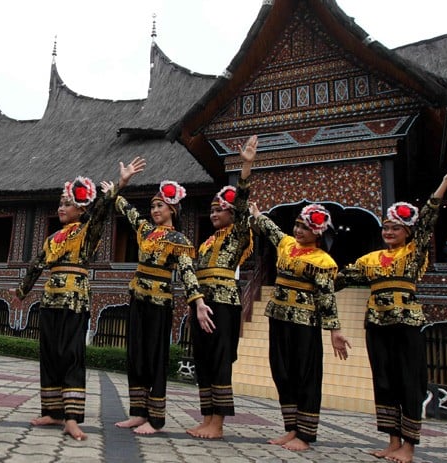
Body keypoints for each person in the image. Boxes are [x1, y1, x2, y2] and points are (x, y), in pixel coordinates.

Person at [336, 157, 447, 463]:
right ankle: (392, 442)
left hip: (406, 324)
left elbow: (430, 215)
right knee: (384, 381)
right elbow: (338, 279)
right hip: (376, 324)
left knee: (409, 381)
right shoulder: (370, 259)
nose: (389, 231)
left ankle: (409, 445)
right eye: (385, 227)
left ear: (407, 231)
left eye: (395, 227)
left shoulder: (414, 252)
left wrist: (446, 180)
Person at [10, 157, 145, 441]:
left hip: (75, 300)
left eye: (67, 203)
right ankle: (53, 411)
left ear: (81, 208)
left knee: (71, 355)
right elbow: (36, 264)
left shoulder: (87, 232)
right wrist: (21, 292)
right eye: (60, 204)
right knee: (49, 355)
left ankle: (71, 418)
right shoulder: (52, 239)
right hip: (50, 300)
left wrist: (119, 185)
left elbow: (100, 213)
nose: (61, 208)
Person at [112, 173, 213, 435]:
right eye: (153, 206)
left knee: (155, 357)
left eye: (160, 206)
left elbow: (189, 273)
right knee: (135, 355)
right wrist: (121, 184)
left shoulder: (179, 240)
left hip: (159, 302)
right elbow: (123, 206)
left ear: (173, 209)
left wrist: (198, 302)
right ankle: (138, 413)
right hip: (137, 297)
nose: (155, 210)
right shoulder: (145, 230)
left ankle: (156, 419)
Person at [248, 201, 351, 451]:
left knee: (305, 375)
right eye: (296, 225)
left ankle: (305, 435)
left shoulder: (323, 261)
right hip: (279, 318)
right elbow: (272, 230)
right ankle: (291, 428)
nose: (298, 230)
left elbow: (326, 296)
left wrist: (335, 330)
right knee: (282, 371)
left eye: (304, 227)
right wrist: (258, 215)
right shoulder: (287, 245)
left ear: (317, 232)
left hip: (305, 322)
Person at [186, 135, 257, 439]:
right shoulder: (206, 243)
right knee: (201, 358)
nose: (214, 214)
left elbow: (242, 206)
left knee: (219, 358)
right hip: (201, 302)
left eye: (220, 210)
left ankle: (218, 423)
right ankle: (206, 417)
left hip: (225, 303)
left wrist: (245, 168)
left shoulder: (238, 234)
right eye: (212, 210)